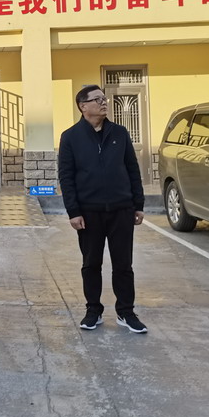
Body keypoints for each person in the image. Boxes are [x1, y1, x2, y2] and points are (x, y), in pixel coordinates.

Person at [58, 85, 147, 334]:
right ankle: (93, 310)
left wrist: (138, 204)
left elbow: (132, 168)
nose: (104, 102)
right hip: (89, 213)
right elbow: (66, 176)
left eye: (104, 99)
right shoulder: (71, 137)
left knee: (123, 264)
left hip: (121, 209)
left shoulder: (119, 132)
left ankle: (126, 312)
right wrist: (73, 211)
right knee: (91, 264)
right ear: (83, 106)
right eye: (97, 99)